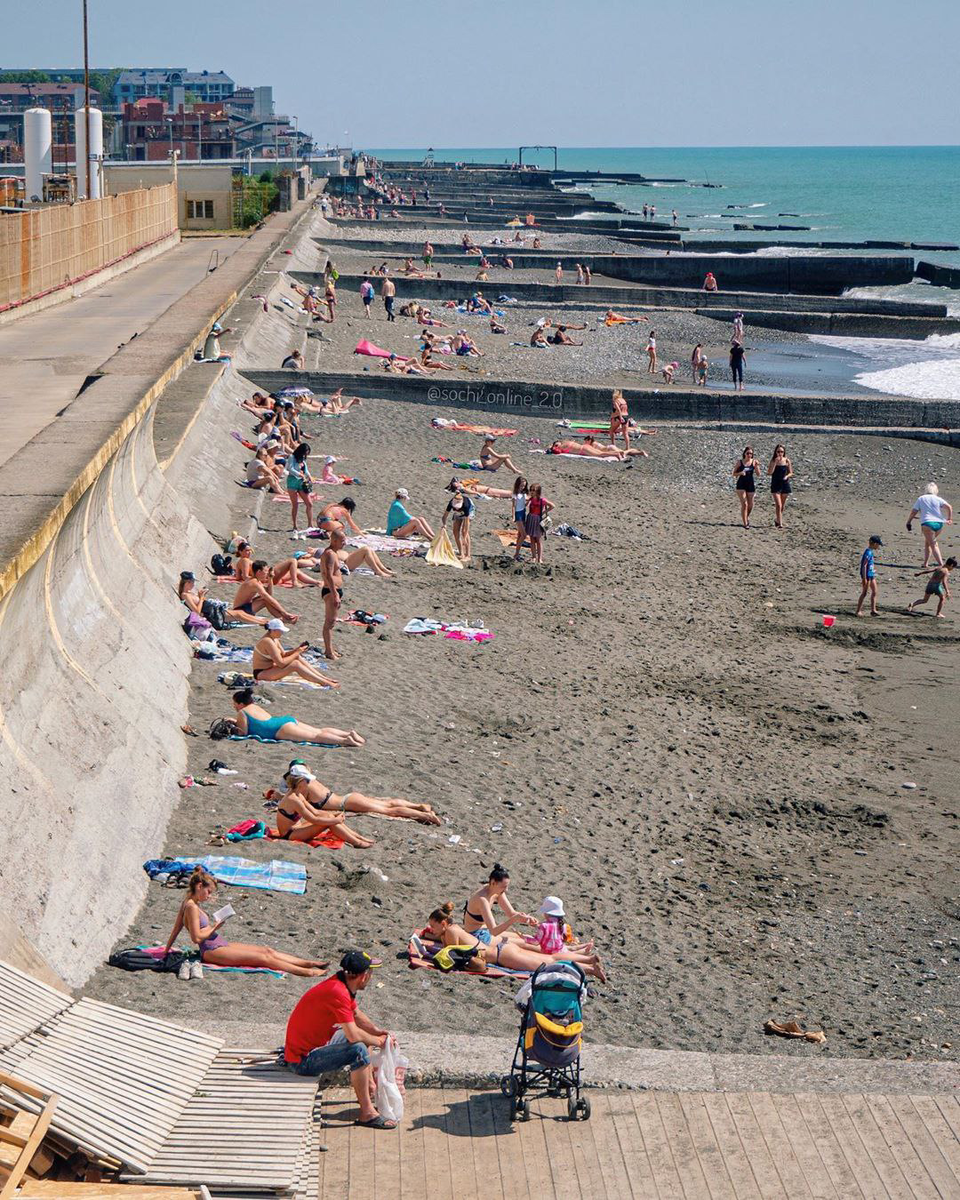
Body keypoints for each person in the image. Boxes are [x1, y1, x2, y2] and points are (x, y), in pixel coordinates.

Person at [283, 950, 397, 1130]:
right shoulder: (338, 992)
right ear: (364, 976)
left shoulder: (341, 983)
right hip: (301, 1061)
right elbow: (353, 1035)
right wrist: (380, 1042)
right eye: (370, 973)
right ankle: (367, 1113)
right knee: (358, 1049)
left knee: (364, 1039)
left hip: (307, 1048)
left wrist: (377, 1032)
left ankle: (370, 1088)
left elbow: (356, 1014)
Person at [164, 868, 329, 977]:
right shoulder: (191, 907)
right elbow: (196, 938)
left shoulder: (189, 901)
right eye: (208, 892)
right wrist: (216, 926)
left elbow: (177, 927)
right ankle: (307, 972)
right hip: (211, 950)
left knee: (267, 951)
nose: (208, 896)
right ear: (199, 886)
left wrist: (166, 950)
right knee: (263, 959)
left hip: (217, 944)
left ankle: (308, 963)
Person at [425, 902, 606, 981]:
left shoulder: (449, 934)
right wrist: (433, 936)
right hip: (504, 949)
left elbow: (448, 954)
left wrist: (431, 943)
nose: (431, 930)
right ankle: (588, 960)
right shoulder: (454, 928)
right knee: (548, 958)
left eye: (433, 926)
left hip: (502, 955)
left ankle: (590, 969)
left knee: (548, 964)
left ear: (443, 923)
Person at [278, 761, 441, 825]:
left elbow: (297, 803)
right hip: (349, 797)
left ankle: (426, 816)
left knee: (388, 810)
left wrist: (278, 797)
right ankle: (419, 806)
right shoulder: (310, 781)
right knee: (388, 803)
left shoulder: (303, 790)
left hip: (347, 803)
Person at [277, 768, 374, 847]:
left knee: (329, 817)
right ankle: (357, 842)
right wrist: (335, 821)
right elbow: (313, 819)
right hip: (289, 834)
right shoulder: (293, 799)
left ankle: (357, 837)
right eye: (307, 780)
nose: (309, 783)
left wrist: (332, 815)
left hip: (297, 828)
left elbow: (315, 812)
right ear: (301, 782)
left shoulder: (297, 795)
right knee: (329, 822)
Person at [231, 688, 364, 745]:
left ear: (241, 704)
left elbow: (243, 733)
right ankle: (348, 734)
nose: (234, 707)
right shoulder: (255, 706)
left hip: (278, 729)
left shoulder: (242, 712)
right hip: (284, 720)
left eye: (235, 704)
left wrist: (233, 722)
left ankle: (345, 741)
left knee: (315, 738)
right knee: (319, 730)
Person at [252, 619, 338, 688]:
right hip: (261, 673)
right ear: (273, 630)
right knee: (295, 664)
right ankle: (324, 682)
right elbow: (281, 663)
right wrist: (297, 652)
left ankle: (323, 678)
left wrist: (298, 649)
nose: (282, 633)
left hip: (269, 669)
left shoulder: (274, 639)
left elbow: (284, 655)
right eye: (280, 631)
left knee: (297, 657)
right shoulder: (267, 641)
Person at [179, 571, 267, 628]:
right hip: (211, 614)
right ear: (188, 582)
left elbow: (200, 603)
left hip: (213, 609)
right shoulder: (185, 595)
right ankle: (262, 623)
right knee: (238, 615)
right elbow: (197, 612)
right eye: (193, 582)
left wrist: (201, 596)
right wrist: (201, 598)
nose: (194, 584)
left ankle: (262, 621)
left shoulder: (190, 593)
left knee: (240, 613)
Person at [232, 562, 299, 624]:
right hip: (240, 610)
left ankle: (283, 618)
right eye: (266, 571)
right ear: (259, 572)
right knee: (265, 600)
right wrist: (284, 612)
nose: (267, 573)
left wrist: (270, 578)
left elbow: (269, 594)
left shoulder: (255, 580)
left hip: (244, 606)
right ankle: (283, 618)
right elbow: (269, 598)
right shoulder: (254, 583)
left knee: (264, 598)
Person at [907, 483, 954, 567]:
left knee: (933, 544)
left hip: (928, 523)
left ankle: (941, 565)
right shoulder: (938, 499)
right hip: (939, 524)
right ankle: (925, 563)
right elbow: (949, 507)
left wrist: (909, 521)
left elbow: (914, 511)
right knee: (928, 542)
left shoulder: (921, 498)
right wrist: (949, 518)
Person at [321, 530, 346, 661]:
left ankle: (330, 649)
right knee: (329, 622)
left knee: (332, 622)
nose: (344, 543)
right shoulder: (330, 554)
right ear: (334, 540)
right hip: (331, 591)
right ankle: (328, 651)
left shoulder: (334, 553)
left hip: (333, 590)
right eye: (342, 541)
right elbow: (328, 576)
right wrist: (335, 594)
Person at [286, 442, 314, 532]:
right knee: (295, 504)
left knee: (309, 504)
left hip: (301, 482)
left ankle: (310, 524)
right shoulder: (292, 457)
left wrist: (309, 476)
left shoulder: (302, 459)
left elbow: (305, 469)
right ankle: (294, 525)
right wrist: (299, 474)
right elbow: (289, 468)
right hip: (292, 481)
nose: (305, 455)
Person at [524, 484, 553, 565]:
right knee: (532, 539)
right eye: (531, 490)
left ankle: (539, 558)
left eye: (534, 490)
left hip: (537, 520)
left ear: (538, 491)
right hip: (530, 518)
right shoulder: (531, 499)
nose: (532, 492)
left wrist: (543, 512)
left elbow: (552, 506)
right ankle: (533, 557)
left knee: (538, 540)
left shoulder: (542, 500)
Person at [767, 444, 794, 529]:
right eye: (778, 451)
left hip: (784, 484)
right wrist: (775, 463)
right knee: (778, 504)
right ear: (775, 452)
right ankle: (780, 523)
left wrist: (787, 476)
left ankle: (777, 519)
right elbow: (769, 472)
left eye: (782, 451)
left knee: (782, 505)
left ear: (784, 452)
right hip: (775, 484)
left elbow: (791, 472)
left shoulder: (787, 461)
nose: (780, 453)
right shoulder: (773, 461)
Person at [442, 490, 474, 561]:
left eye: (458, 506)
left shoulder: (466, 505)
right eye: (455, 506)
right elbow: (444, 516)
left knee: (464, 532)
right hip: (458, 514)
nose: (456, 508)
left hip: (469, 512)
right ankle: (461, 553)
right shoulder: (451, 503)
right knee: (455, 531)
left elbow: (466, 524)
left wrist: (464, 537)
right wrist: (444, 524)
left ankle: (468, 555)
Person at [856, 536, 883, 617]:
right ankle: (858, 611)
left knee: (875, 591)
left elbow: (870, 564)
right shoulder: (868, 552)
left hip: (871, 574)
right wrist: (864, 578)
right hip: (867, 575)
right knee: (864, 593)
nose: (878, 546)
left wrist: (873, 571)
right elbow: (864, 565)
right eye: (878, 544)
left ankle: (873, 610)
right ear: (875, 544)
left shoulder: (870, 552)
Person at [733, 446, 759, 528]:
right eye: (748, 453)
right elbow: (734, 473)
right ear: (744, 453)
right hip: (741, 484)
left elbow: (758, 474)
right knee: (744, 503)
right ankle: (745, 523)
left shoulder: (753, 462)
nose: (749, 455)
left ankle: (746, 517)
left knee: (750, 505)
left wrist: (757, 466)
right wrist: (740, 473)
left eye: (751, 453)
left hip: (750, 484)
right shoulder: (740, 462)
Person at [512, 476, 528, 560]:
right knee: (524, 535)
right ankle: (516, 553)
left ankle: (516, 554)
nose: (523, 487)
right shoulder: (515, 494)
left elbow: (524, 504)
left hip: (523, 513)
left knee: (520, 534)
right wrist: (513, 516)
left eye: (524, 486)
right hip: (518, 514)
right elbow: (513, 506)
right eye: (521, 485)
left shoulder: (524, 493)